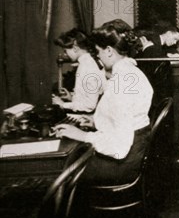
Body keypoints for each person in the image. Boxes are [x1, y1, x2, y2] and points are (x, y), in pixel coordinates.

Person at [54, 25, 154, 185]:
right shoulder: (131, 73)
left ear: (109, 51)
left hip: (122, 165)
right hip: (133, 155)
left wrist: (82, 135)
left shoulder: (121, 83)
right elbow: (124, 119)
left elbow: (119, 147)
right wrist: (95, 121)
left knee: (63, 173)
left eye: (98, 52)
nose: (97, 58)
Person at [52, 28, 104, 113]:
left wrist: (62, 104)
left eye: (65, 51)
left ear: (75, 48)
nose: (65, 54)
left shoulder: (87, 67)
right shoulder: (87, 62)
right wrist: (71, 97)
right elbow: (89, 97)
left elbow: (90, 105)